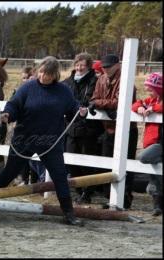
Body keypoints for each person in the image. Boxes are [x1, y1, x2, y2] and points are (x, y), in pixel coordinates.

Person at [0, 56, 88, 226]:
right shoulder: (27, 87)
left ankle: (69, 214)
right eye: (40, 72)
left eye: (46, 74)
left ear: (54, 75)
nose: (42, 76)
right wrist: (7, 114)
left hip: (50, 141)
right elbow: (14, 105)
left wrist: (80, 111)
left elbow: (72, 108)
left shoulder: (64, 91)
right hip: (24, 138)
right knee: (10, 172)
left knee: (60, 176)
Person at [89, 54, 139, 209]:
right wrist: (104, 104)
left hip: (127, 130)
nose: (105, 69)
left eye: (108, 66)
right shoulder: (101, 79)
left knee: (126, 165)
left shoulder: (126, 80)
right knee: (106, 163)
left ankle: (125, 199)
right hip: (108, 128)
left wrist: (100, 104)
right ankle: (110, 198)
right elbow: (93, 99)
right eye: (104, 66)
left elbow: (120, 102)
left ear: (117, 65)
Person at [62, 53, 104, 204]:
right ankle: (79, 189)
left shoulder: (95, 81)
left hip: (89, 129)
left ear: (88, 66)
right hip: (71, 127)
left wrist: (83, 106)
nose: (79, 68)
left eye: (82, 66)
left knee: (87, 161)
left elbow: (94, 99)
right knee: (71, 161)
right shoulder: (67, 82)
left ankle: (87, 191)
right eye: (77, 65)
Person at [133, 72, 162, 216]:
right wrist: (139, 107)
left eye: (150, 88)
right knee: (154, 172)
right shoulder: (151, 100)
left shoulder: (156, 104)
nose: (148, 90)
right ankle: (157, 205)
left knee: (144, 158)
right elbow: (136, 104)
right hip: (151, 142)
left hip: (159, 143)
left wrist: (154, 109)